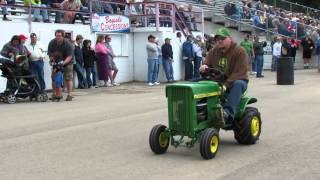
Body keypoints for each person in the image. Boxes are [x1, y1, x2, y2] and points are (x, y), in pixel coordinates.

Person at [200, 27, 249, 126]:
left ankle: (227, 113)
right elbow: (206, 63)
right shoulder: (214, 51)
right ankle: (200, 112)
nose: (220, 41)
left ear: (229, 38)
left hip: (236, 81)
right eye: (217, 39)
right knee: (194, 83)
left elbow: (239, 72)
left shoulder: (240, 51)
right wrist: (204, 67)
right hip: (218, 81)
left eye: (222, 38)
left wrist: (226, 85)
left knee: (238, 84)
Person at [48, 29, 74, 101]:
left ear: (63, 36)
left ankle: (69, 95)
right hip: (57, 61)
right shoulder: (52, 43)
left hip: (68, 62)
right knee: (54, 78)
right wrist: (51, 60)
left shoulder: (67, 44)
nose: (58, 37)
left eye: (59, 36)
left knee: (68, 78)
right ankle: (55, 94)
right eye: (56, 36)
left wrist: (63, 63)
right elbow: (50, 54)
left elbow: (70, 56)